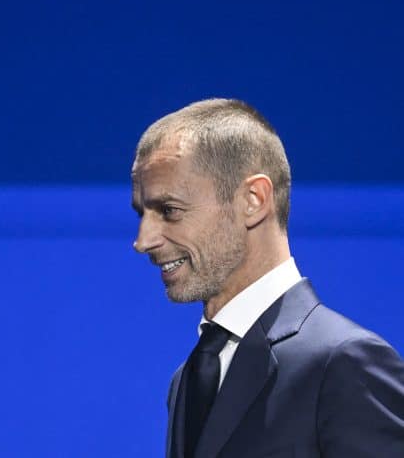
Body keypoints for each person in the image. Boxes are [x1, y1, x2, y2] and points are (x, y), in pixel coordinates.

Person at [130, 99, 404, 458]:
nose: (143, 241)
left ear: (254, 200)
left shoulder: (343, 362)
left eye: (169, 210)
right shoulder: (186, 379)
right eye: (142, 213)